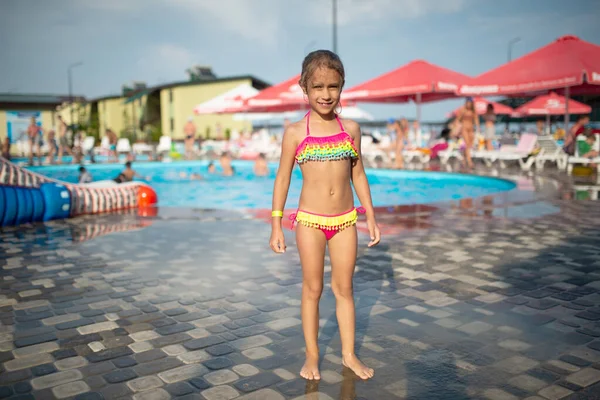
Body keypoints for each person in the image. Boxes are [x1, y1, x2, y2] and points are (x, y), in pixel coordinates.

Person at [269, 50, 380, 381]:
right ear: (304, 87)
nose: (326, 94)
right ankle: (313, 355)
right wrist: (276, 223)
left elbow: (358, 174)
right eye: (317, 87)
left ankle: (348, 355)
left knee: (344, 289)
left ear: (342, 86)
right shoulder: (295, 132)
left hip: (346, 220)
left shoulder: (352, 129)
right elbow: (283, 178)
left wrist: (370, 215)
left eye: (333, 86)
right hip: (310, 222)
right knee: (312, 289)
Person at [456, 97, 480, 169]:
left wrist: (478, 128)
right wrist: (457, 129)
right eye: (468, 103)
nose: (469, 104)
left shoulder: (473, 110)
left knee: (469, 145)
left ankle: (464, 159)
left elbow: (476, 119)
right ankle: (470, 162)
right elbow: (458, 119)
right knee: (467, 145)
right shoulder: (463, 109)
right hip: (464, 128)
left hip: (471, 129)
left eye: (470, 103)